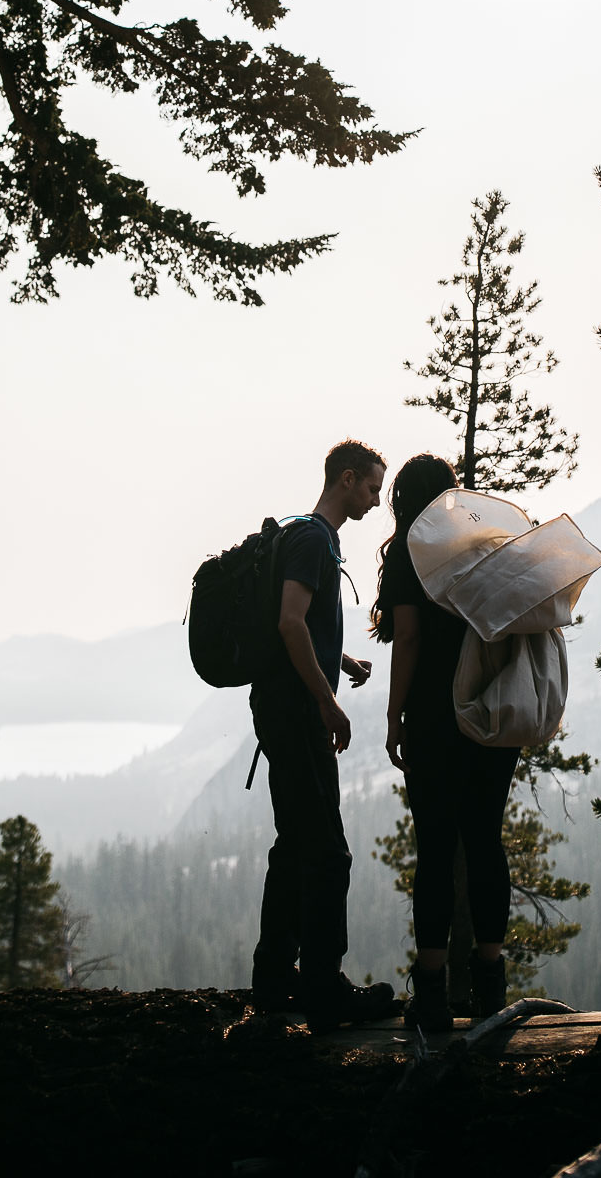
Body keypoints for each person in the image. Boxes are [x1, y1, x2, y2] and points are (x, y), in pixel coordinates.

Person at [250, 439, 397, 1034]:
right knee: (328, 852)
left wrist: (341, 659)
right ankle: (323, 988)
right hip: (296, 714)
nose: (373, 500)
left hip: (283, 710)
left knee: (293, 845)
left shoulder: (307, 536)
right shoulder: (313, 539)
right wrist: (327, 700)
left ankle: (273, 979)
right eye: (369, 488)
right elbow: (289, 623)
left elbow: (304, 625)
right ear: (345, 479)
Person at [371, 453, 519, 1032]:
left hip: (434, 718)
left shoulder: (410, 552)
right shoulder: (482, 547)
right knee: (486, 841)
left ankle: (430, 994)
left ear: (402, 501)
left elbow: (406, 638)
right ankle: (490, 987)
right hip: (486, 711)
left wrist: (393, 717)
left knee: (435, 848)